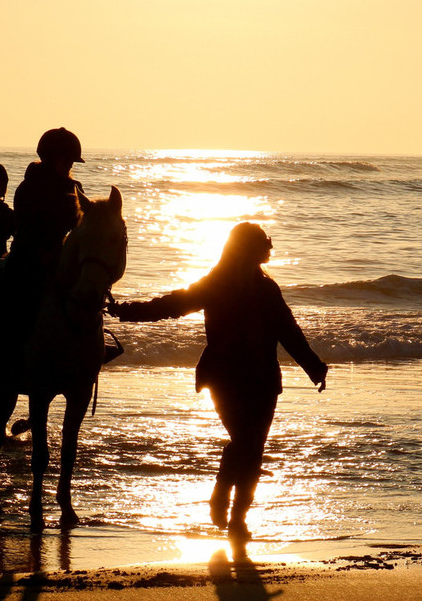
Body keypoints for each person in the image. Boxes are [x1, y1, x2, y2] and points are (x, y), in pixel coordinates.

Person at [109, 223, 328, 543]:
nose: (264, 253)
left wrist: (314, 367)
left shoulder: (268, 289)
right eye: (258, 247)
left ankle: (238, 517)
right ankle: (224, 492)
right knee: (246, 443)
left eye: (262, 247)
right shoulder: (218, 282)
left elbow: (288, 332)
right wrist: (126, 311)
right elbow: (174, 305)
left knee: (252, 447)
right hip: (225, 377)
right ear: (247, 250)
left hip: (263, 380)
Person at [5, 128, 86, 284]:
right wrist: (44, 253)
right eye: (65, 160)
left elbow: (80, 226)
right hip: (28, 256)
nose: (70, 165)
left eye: (71, 161)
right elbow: (27, 227)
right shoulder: (28, 188)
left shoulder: (74, 189)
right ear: (50, 159)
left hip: (62, 255)